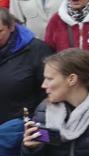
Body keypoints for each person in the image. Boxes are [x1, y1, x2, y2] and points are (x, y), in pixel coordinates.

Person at [0, 8, 52, 154]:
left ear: (11, 27)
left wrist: (37, 134)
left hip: (20, 133)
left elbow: (49, 96)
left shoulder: (37, 50)